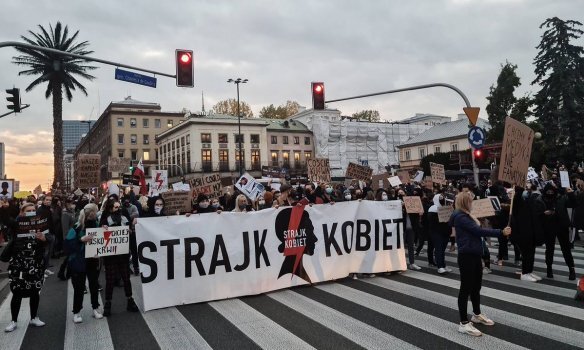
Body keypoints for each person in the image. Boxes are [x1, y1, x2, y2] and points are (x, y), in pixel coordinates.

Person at [449, 192, 511, 337]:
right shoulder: (460, 216)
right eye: (471, 201)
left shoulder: (468, 215)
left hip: (475, 255)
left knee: (476, 287)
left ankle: (476, 314)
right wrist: (501, 232)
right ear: (465, 203)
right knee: (465, 289)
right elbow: (478, 231)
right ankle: (463, 323)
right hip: (466, 256)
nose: (473, 203)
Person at [4, 203, 47, 332]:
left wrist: (44, 239)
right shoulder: (17, 224)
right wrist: (4, 207)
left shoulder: (39, 224)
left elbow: (49, 239)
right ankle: (14, 321)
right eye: (28, 210)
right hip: (19, 264)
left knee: (35, 291)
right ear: (22, 213)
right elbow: (6, 220)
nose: (32, 212)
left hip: (35, 263)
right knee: (17, 293)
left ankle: (34, 317)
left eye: (33, 210)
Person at [99, 199, 139, 316]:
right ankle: (108, 303)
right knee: (110, 280)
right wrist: (103, 228)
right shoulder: (105, 219)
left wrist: (130, 230)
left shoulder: (124, 218)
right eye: (116, 207)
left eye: (119, 207)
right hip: (111, 256)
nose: (119, 209)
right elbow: (100, 234)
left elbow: (130, 230)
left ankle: (130, 300)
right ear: (110, 209)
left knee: (126, 278)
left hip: (123, 255)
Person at [64, 203, 104, 323]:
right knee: (79, 288)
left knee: (94, 285)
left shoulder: (97, 225)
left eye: (96, 211)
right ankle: (76, 312)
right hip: (79, 261)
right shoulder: (77, 227)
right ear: (88, 213)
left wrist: (105, 230)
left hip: (93, 260)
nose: (95, 214)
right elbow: (67, 245)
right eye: (93, 211)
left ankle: (95, 308)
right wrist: (81, 240)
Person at [542, 183, 577, 280]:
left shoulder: (562, 198)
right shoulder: (542, 199)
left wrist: (571, 194)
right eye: (548, 192)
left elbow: (574, 204)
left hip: (562, 226)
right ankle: (549, 269)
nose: (550, 193)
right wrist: (544, 214)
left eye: (551, 191)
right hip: (549, 227)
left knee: (566, 249)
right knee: (549, 249)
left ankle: (571, 269)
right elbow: (538, 212)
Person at [511, 185, 545, 282]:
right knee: (526, 254)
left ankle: (529, 271)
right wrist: (520, 187)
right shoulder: (517, 202)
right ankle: (525, 273)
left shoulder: (527, 201)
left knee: (531, 253)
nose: (526, 190)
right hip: (522, 233)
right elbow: (517, 197)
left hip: (530, 232)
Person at [428, 193, 452, 274]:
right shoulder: (432, 208)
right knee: (439, 249)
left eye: (443, 198)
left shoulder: (446, 208)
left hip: (445, 232)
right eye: (440, 198)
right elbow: (432, 222)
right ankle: (440, 267)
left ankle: (443, 265)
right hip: (436, 232)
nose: (442, 199)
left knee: (442, 250)